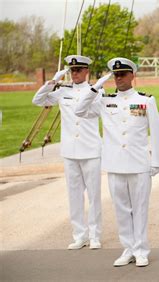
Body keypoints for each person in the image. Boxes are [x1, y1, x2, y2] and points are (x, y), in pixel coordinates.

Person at [75, 57, 159, 267]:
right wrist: (95, 87)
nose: (119, 78)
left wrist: (156, 161)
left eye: (123, 74)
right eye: (115, 75)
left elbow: (156, 132)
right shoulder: (105, 100)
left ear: (133, 75)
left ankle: (141, 250)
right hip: (115, 164)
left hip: (139, 164)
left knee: (140, 208)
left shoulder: (146, 100)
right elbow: (79, 110)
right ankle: (128, 248)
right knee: (121, 210)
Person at [32, 55, 102, 250]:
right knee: (74, 195)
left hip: (90, 149)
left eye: (78, 70)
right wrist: (53, 82)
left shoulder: (97, 91)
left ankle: (95, 235)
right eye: (72, 70)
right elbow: (38, 100)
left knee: (94, 196)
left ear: (86, 71)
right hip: (70, 150)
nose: (75, 74)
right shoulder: (63, 90)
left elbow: (95, 111)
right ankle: (80, 235)